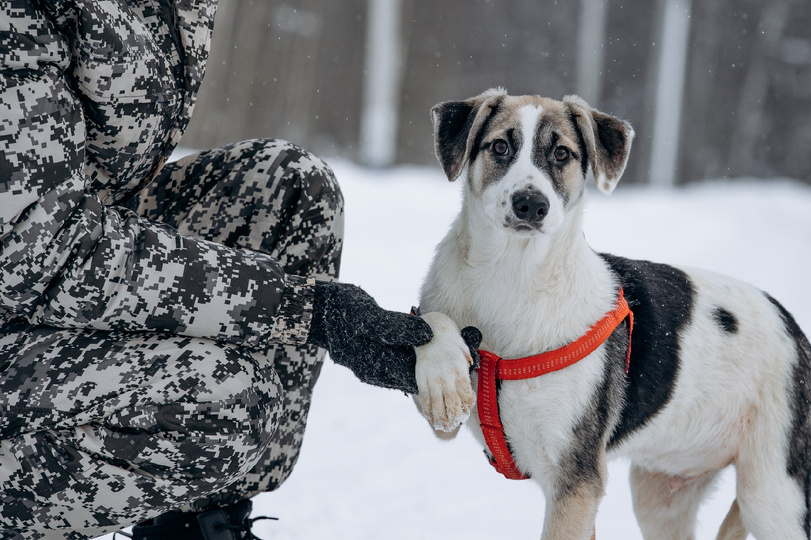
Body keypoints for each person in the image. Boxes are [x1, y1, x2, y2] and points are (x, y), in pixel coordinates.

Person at [0, 1, 476, 538]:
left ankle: (198, 521)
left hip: (55, 269)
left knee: (289, 189)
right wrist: (303, 308)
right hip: (31, 267)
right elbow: (37, 248)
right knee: (229, 401)